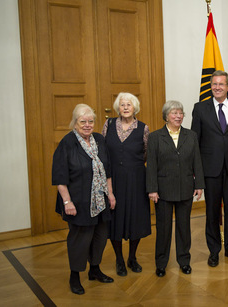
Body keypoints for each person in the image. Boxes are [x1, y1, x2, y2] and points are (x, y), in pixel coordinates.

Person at [52, 104, 116, 295]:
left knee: (100, 237)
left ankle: (94, 269)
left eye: (91, 121)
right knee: (80, 239)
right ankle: (75, 276)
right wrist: (67, 202)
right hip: (78, 201)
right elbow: (59, 177)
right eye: (83, 122)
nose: (88, 125)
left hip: (101, 200)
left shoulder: (99, 140)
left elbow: (108, 170)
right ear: (75, 122)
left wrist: (111, 194)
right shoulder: (67, 143)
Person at [191, 70, 228, 267]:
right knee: (212, 212)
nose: (217, 87)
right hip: (210, 170)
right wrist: (196, 173)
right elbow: (195, 142)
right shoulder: (200, 108)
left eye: (221, 84)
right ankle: (214, 251)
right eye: (214, 84)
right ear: (210, 86)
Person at [147, 100, 205, 277]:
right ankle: (161, 263)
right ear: (166, 116)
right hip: (163, 190)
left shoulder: (191, 135)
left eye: (181, 113)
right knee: (163, 229)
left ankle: (184, 261)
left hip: (185, 188)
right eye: (174, 113)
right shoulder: (155, 137)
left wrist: (199, 185)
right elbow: (151, 165)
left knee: (184, 227)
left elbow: (197, 161)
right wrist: (152, 189)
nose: (178, 116)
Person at [101, 93, 151, 276]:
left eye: (129, 104)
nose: (126, 107)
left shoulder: (144, 128)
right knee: (115, 219)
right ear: (118, 107)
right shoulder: (109, 124)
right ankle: (119, 260)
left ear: (134, 107)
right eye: (122, 104)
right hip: (113, 179)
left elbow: (146, 153)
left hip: (137, 179)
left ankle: (132, 257)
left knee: (135, 218)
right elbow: (103, 150)